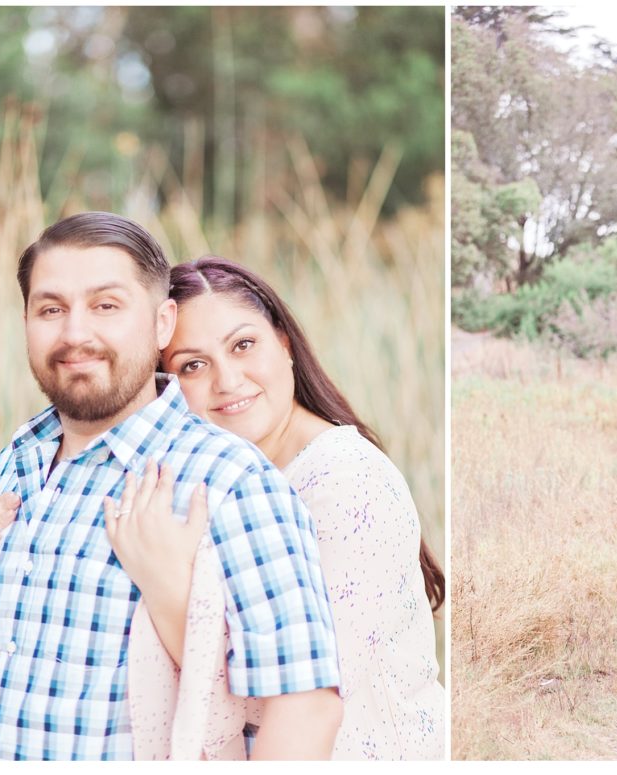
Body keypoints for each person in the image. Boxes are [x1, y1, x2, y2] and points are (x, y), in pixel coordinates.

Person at [0, 212, 342, 760]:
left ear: (161, 324)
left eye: (106, 305)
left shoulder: (230, 481)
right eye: (51, 309)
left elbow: (305, 708)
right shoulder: (12, 464)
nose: (75, 333)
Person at [141, 255, 444, 759]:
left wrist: (164, 588)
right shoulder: (208, 482)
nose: (228, 380)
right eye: (192, 364)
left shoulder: (347, 482)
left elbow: (300, 699)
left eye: (243, 345)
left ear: (283, 342)